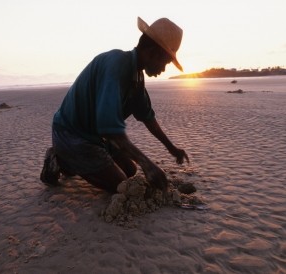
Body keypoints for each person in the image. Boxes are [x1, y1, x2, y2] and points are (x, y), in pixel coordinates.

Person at [40, 17, 189, 193]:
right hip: (71, 133)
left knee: (130, 170)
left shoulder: (137, 76)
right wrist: (147, 164)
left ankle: (68, 160)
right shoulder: (117, 65)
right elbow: (110, 129)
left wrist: (172, 148)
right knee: (121, 185)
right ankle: (60, 158)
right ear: (151, 52)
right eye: (164, 62)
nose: (163, 69)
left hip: (95, 137)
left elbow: (148, 117)